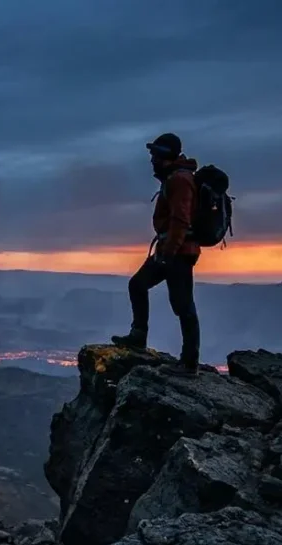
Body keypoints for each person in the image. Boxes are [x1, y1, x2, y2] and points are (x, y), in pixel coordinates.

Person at [111, 133, 201, 374]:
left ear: (164, 155)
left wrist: (169, 252)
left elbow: (180, 219)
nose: (151, 160)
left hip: (178, 251)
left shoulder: (180, 180)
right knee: (138, 285)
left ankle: (190, 363)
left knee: (183, 305)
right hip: (170, 248)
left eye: (154, 155)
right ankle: (138, 336)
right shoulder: (173, 178)